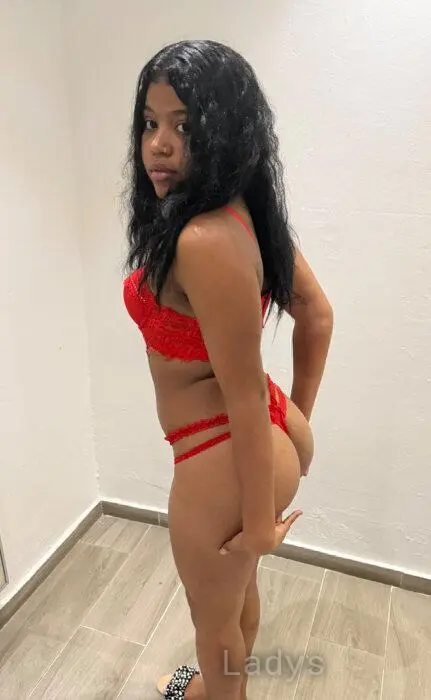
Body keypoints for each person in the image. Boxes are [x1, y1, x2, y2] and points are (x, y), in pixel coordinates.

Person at [123, 39, 333, 700]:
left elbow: (241, 396)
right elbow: (317, 316)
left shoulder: (200, 239)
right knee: (236, 600)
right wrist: (291, 432)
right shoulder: (245, 212)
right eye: (150, 123)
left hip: (217, 450)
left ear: (225, 129)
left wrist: (259, 521)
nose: (159, 145)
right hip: (259, 437)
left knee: (211, 626)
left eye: (185, 127)